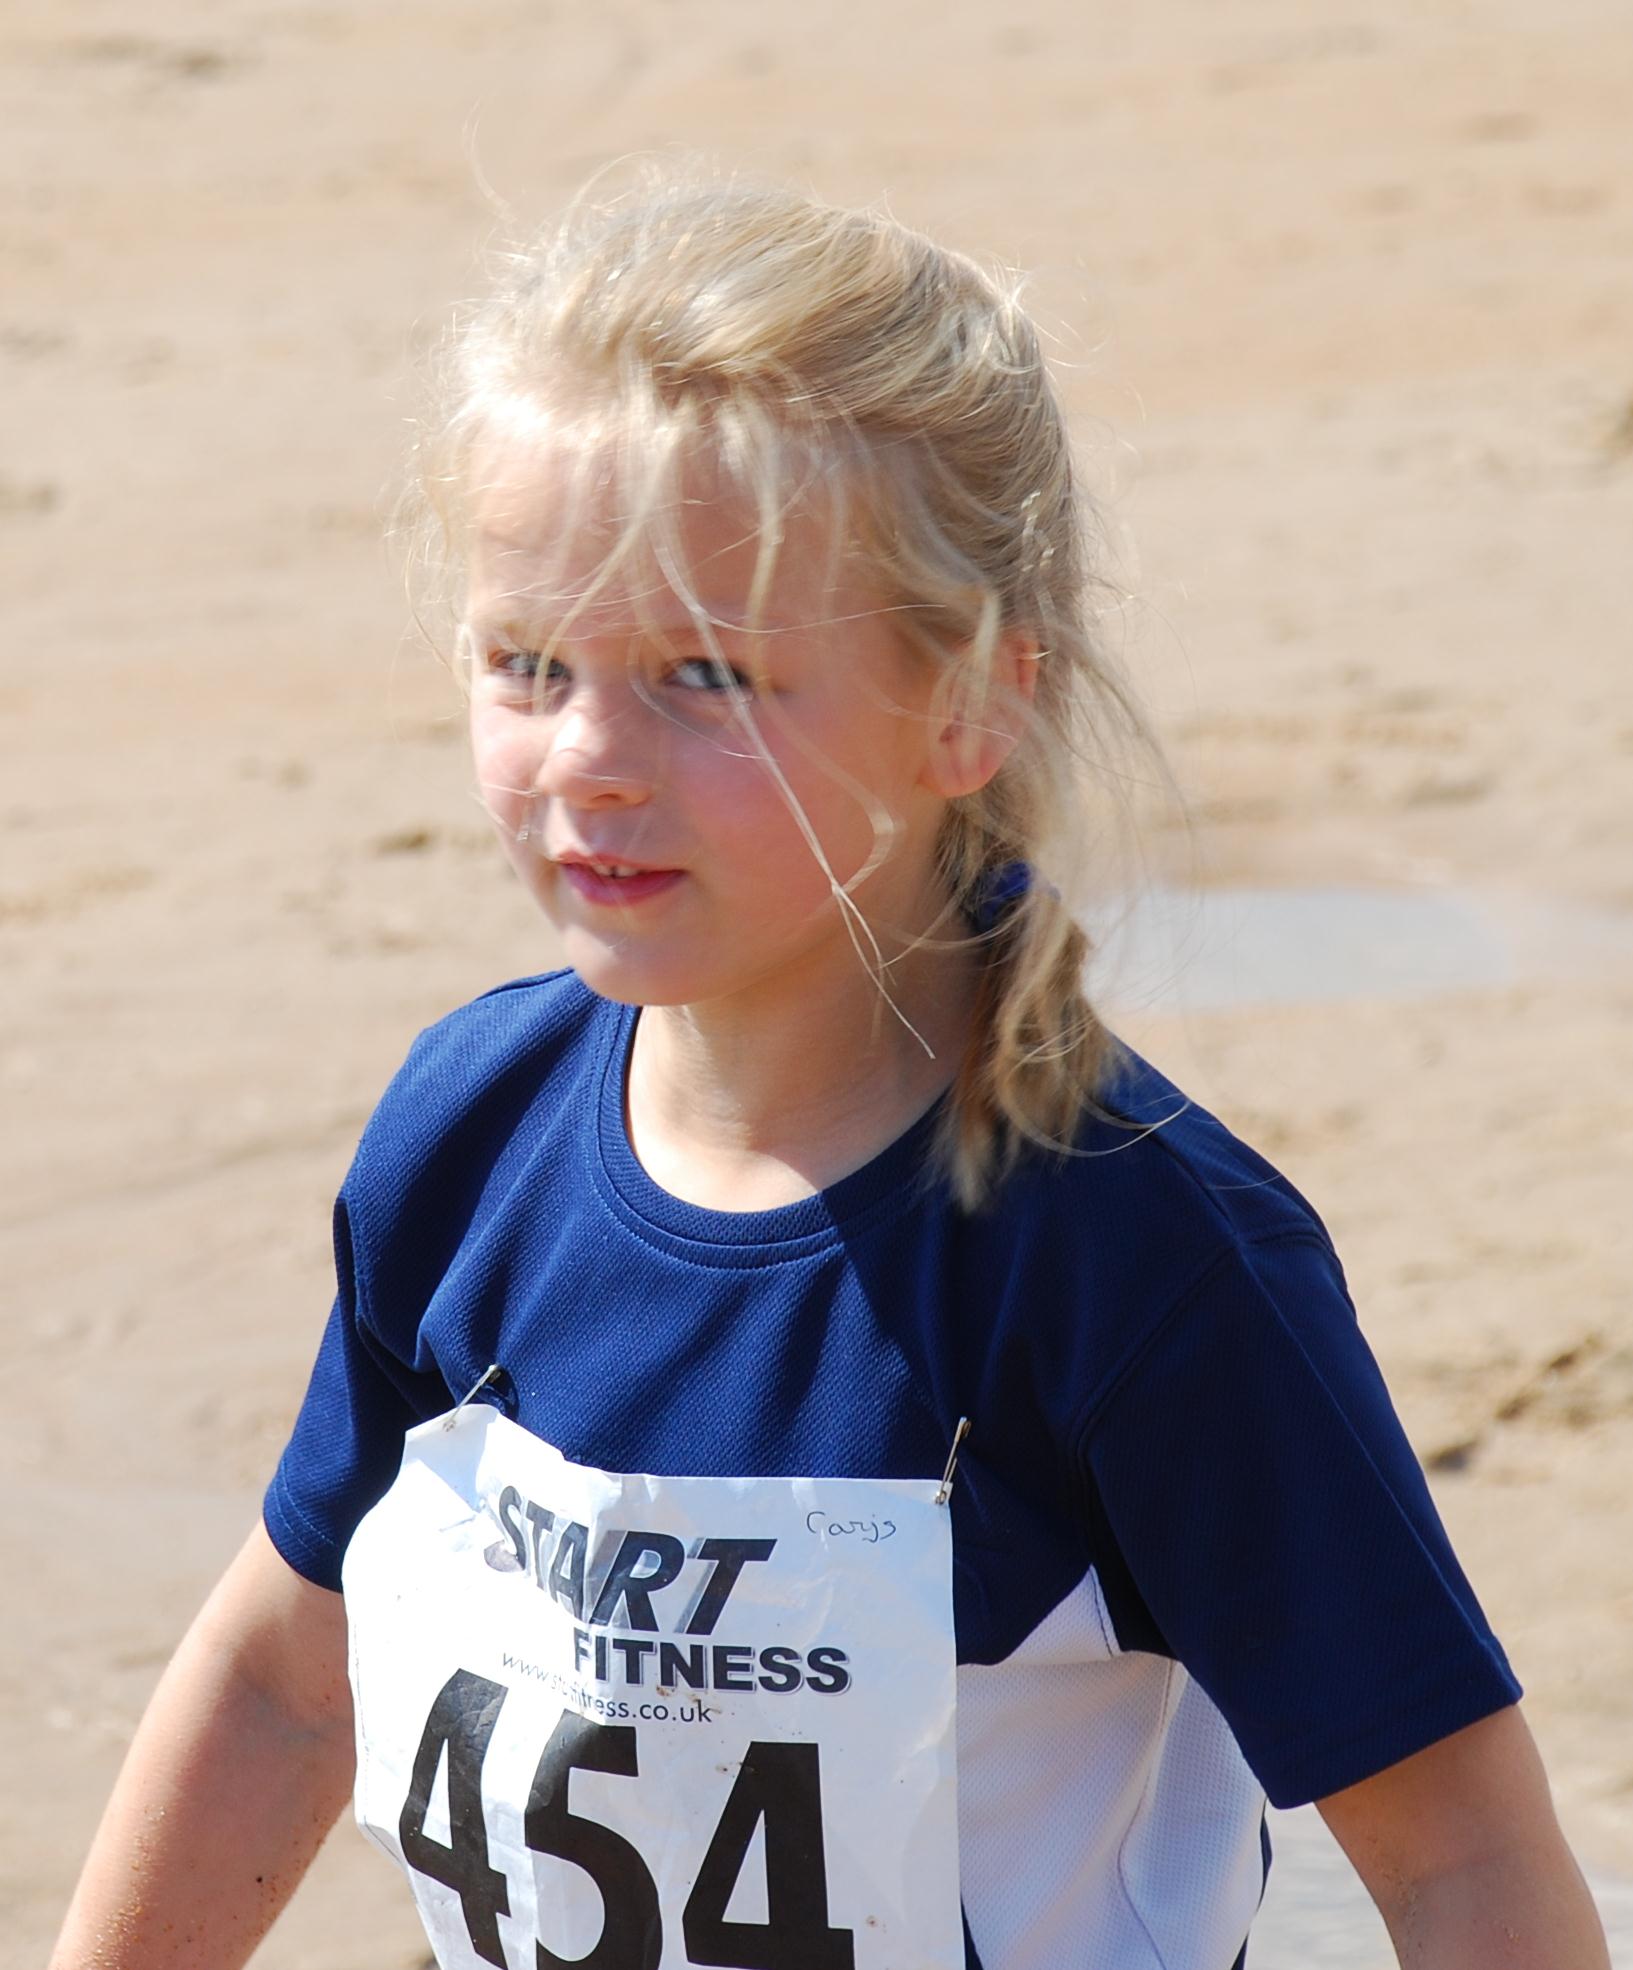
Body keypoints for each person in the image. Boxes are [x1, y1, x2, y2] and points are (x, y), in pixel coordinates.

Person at [51, 170, 1609, 1970]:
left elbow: (1462, 1858)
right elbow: (283, 1679)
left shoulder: (1139, 1264)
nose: (591, 756)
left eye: (705, 674)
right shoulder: (467, 1132)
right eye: (528, 662)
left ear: (971, 702)